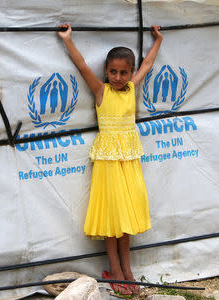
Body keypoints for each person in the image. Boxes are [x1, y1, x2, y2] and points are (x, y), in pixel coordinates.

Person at [58, 23, 163, 296]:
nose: (118, 77)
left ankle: (127, 268)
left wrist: (158, 40)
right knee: (112, 217)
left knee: (126, 217)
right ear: (106, 71)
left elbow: (148, 65)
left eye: (124, 72)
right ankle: (114, 268)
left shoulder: (131, 88)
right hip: (107, 161)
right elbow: (81, 66)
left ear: (130, 72)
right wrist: (68, 40)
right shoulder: (101, 91)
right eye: (113, 71)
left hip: (128, 160)